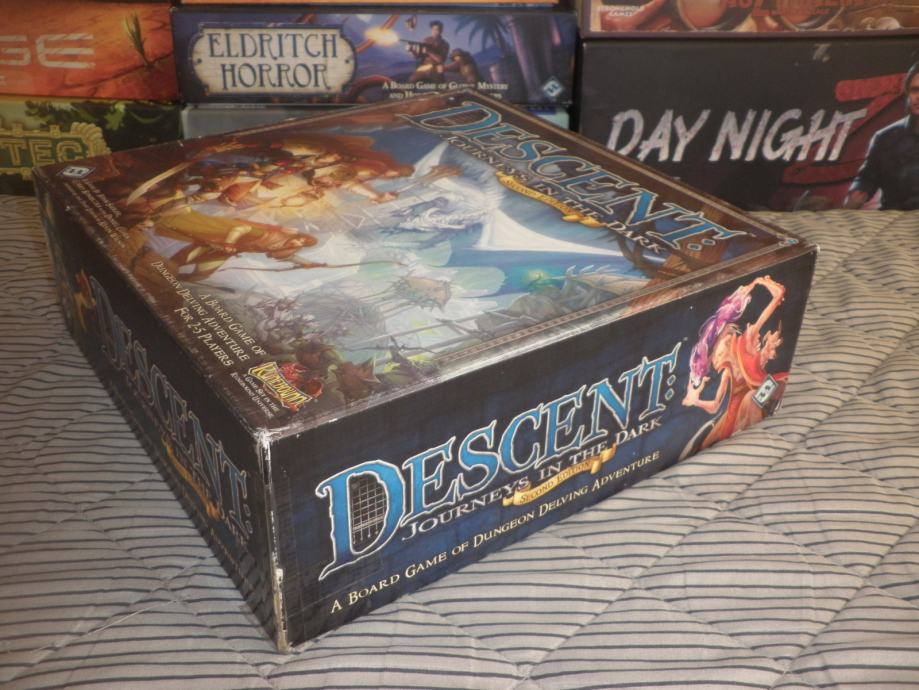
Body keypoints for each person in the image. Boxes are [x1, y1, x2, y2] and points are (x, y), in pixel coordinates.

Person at [682, 275, 788, 451]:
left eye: (723, 344)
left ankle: (757, 439)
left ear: (731, 338)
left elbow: (774, 301)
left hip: (760, 399)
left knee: (752, 398)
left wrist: (761, 284)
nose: (720, 355)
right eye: (717, 353)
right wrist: (696, 401)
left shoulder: (746, 341)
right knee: (705, 444)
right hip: (733, 417)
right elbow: (715, 406)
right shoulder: (726, 372)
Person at [844, 61, 919, 210]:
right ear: (907, 93)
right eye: (915, 90)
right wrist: (856, 196)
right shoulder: (885, 138)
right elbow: (867, 178)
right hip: (894, 217)